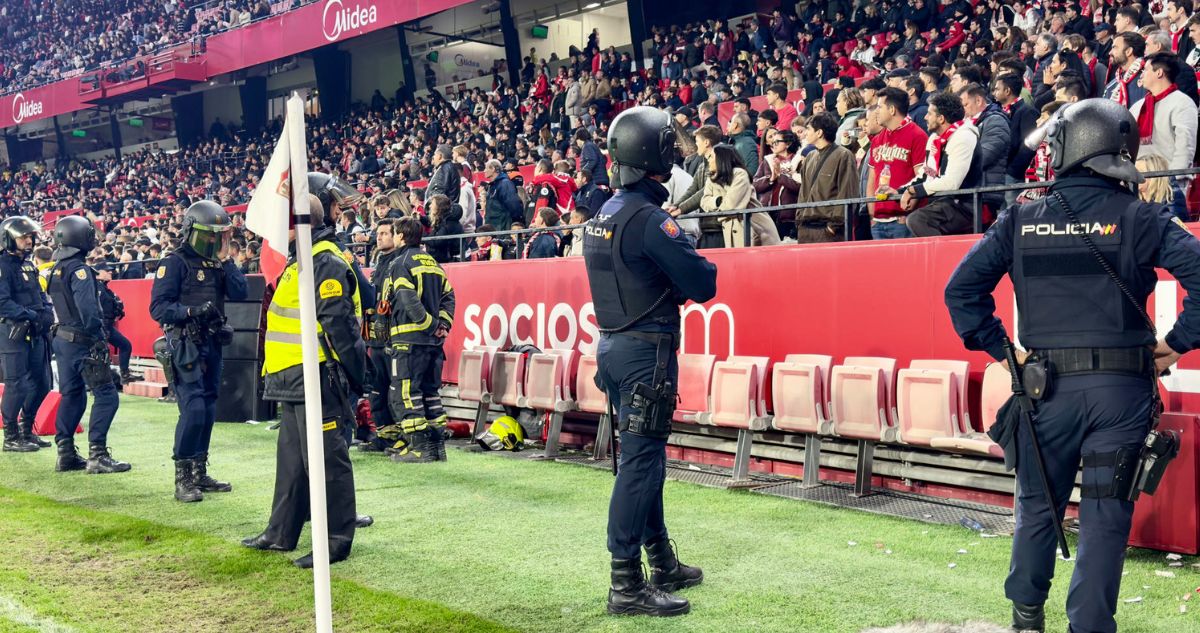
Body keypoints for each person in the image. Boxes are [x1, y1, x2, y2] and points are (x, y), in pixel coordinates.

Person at [945, 98, 1200, 633]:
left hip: (1044, 393)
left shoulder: (1021, 217)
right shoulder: (1141, 216)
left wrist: (1003, 352)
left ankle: (1025, 617)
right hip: (1121, 393)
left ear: (1067, 149)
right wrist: (1178, 342)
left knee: (1038, 508)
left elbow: (962, 292)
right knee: (1106, 518)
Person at [583, 106, 716, 617]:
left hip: (614, 349)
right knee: (640, 466)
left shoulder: (602, 216)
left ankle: (660, 560)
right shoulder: (649, 220)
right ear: (654, 155)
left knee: (646, 462)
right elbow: (703, 284)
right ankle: (626, 584)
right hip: (647, 354)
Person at [241, 194, 366, 569]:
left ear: (297, 225)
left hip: (318, 376)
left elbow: (340, 327)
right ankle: (280, 532)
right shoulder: (305, 261)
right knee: (292, 461)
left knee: (327, 461)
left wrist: (355, 378)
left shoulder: (324, 261)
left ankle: (336, 540)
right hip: (293, 377)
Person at [150, 200, 248, 503]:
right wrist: (190, 311)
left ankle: (199, 471)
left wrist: (228, 260)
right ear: (193, 232)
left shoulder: (218, 264)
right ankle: (183, 477)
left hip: (212, 343)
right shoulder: (174, 262)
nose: (214, 241)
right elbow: (158, 308)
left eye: (220, 235)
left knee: (207, 409)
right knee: (192, 408)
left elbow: (241, 292)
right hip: (185, 345)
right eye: (210, 235)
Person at [46, 216, 130, 474]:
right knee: (107, 395)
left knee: (72, 395)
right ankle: (98, 455)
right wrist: (99, 339)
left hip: (63, 340)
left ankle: (66, 453)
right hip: (83, 341)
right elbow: (88, 311)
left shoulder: (55, 269)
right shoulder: (80, 271)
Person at [378, 217, 455, 463]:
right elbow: (449, 296)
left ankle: (419, 449)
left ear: (401, 236)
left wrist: (430, 325)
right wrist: (442, 325)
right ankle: (437, 449)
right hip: (433, 345)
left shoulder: (400, 263)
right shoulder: (433, 263)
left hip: (408, 341)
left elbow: (407, 299)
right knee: (430, 394)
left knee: (405, 394)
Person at [0, 217, 53, 453]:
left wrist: (46, 311)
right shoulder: (3, 266)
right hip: (12, 331)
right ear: (9, 239)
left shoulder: (28, 264)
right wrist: (31, 314)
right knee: (16, 385)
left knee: (42, 383)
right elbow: (2, 303)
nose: (29, 240)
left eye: (30, 236)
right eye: (23, 237)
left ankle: (26, 430)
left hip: (36, 330)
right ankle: (10, 436)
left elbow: (39, 294)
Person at [899, 90, 981, 237]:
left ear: (941, 118)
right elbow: (926, 174)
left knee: (917, 220)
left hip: (966, 205)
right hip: (944, 203)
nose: (925, 117)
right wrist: (900, 190)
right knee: (913, 225)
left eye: (929, 113)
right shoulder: (934, 139)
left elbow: (952, 182)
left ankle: (945, 259)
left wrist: (913, 191)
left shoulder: (964, 137)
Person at [360, 219, 401, 453]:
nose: (380, 237)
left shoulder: (398, 263)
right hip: (375, 338)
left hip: (392, 339)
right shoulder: (379, 264)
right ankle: (384, 435)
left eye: (385, 233)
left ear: (396, 236)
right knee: (377, 391)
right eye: (378, 233)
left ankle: (398, 437)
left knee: (393, 391)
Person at [797, 113, 861, 242]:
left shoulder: (843, 155)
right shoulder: (810, 157)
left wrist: (835, 225)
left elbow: (847, 192)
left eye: (808, 129)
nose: (805, 133)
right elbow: (803, 191)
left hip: (828, 230)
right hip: (805, 227)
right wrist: (799, 219)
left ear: (819, 132)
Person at [95, 263, 140, 383]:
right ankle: (98, 381)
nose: (111, 272)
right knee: (100, 353)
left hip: (108, 325)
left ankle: (124, 375)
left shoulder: (104, 288)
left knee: (125, 345)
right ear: (98, 272)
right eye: (107, 271)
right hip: (101, 326)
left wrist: (117, 312)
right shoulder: (95, 287)